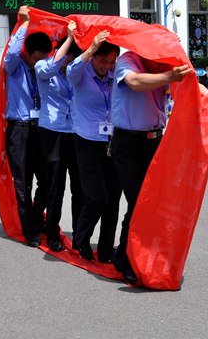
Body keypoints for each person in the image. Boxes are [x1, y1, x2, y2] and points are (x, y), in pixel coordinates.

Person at [110, 51, 208, 285]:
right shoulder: (127, 61)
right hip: (128, 143)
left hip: (156, 142)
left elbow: (189, 81)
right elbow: (135, 82)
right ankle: (129, 261)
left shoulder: (164, 64)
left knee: (154, 202)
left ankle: (129, 256)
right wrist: (170, 75)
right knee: (139, 202)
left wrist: (207, 93)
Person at [67, 30, 122, 263]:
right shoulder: (81, 74)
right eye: (103, 60)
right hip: (87, 141)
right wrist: (90, 49)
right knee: (96, 197)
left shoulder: (114, 74)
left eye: (112, 62)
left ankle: (107, 249)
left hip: (112, 142)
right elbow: (71, 71)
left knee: (113, 199)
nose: (107, 66)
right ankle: (80, 240)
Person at [4, 6, 52, 247]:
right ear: (29, 53)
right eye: (39, 58)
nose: (41, 64)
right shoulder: (14, 67)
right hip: (19, 129)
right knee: (22, 183)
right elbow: (11, 53)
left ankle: (35, 217)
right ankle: (29, 229)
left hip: (40, 127)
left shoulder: (41, 70)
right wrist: (23, 24)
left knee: (46, 180)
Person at [35, 20, 84, 252]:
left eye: (73, 58)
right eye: (67, 57)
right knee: (55, 186)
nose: (69, 63)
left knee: (79, 187)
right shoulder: (44, 67)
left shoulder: (76, 74)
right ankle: (52, 232)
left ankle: (78, 233)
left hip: (75, 133)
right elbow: (50, 68)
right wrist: (69, 40)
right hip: (52, 132)